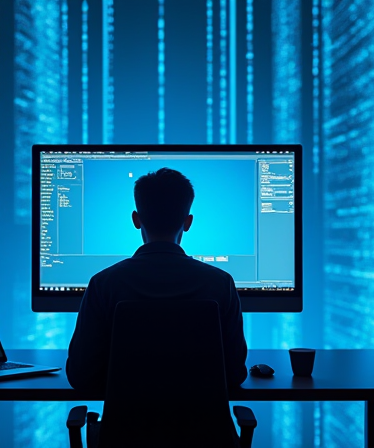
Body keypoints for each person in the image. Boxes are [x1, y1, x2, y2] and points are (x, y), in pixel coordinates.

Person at [66, 167, 248, 391]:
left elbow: (80, 376)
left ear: (136, 219)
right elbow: (234, 373)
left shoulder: (104, 284)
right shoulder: (221, 283)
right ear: (188, 222)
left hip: (126, 426)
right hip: (203, 426)